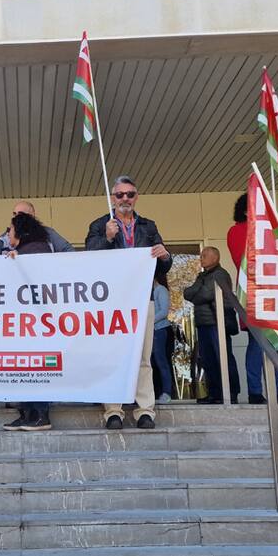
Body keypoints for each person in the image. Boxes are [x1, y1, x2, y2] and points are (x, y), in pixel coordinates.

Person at [85, 175, 170, 430]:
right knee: (113, 356)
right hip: (111, 302)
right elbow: (89, 258)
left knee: (144, 357)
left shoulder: (148, 226)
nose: (125, 199)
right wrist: (107, 238)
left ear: (136, 197)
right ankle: (113, 411)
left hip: (142, 299)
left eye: (129, 194)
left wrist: (165, 255)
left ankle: (145, 411)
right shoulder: (100, 224)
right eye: (120, 195)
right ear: (112, 198)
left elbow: (163, 265)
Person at [224, 194, 278, 404]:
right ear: (246, 210)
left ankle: (277, 390)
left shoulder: (269, 229)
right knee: (256, 343)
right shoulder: (236, 231)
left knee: (275, 344)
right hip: (253, 290)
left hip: (274, 290)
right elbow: (242, 260)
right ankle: (255, 391)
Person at [2, 212, 56, 431]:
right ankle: (26, 413)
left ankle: (40, 414)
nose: (8, 233)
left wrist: (16, 260)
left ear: (21, 232)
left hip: (36, 323)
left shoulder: (37, 250)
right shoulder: (21, 252)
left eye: (11, 229)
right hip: (24, 322)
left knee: (36, 367)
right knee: (23, 368)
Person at [185, 246, 241, 404]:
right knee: (208, 361)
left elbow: (204, 294)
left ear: (215, 258)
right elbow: (187, 293)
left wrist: (198, 293)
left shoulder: (220, 274)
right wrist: (198, 292)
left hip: (217, 323)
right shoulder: (202, 276)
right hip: (203, 324)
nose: (200, 258)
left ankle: (231, 393)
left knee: (223, 359)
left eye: (204, 255)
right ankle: (215, 393)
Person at [0, 200, 75, 255]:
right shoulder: (4, 237)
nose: (15, 217)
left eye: (20, 214)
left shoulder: (47, 233)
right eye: (14, 214)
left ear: (32, 216)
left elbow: (69, 252)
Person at [152, 270, 172, 403]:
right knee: (150, 363)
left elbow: (164, 312)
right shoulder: (147, 293)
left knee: (161, 361)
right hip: (150, 331)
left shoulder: (161, 290)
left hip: (160, 330)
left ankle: (167, 392)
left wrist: (148, 321)